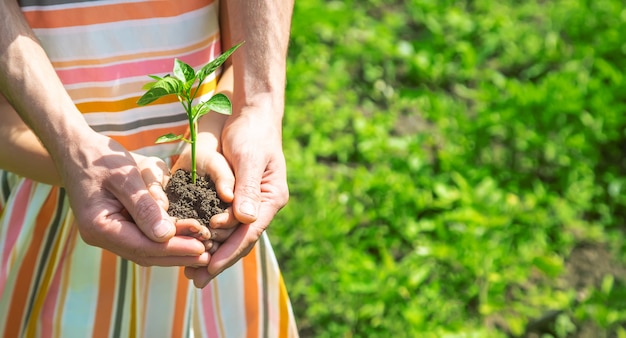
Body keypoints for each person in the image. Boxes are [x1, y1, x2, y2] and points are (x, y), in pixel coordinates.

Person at [0, 0, 298, 336]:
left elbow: (240, 57)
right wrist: (70, 149)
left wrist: (254, 106)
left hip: (212, 165)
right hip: (52, 192)